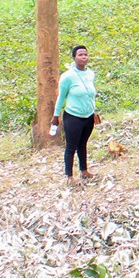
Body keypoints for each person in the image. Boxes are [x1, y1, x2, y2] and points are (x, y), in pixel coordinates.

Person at [52, 45, 98, 185]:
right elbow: (61, 97)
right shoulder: (68, 77)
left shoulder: (90, 74)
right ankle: (69, 176)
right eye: (80, 55)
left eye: (85, 54)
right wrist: (55, 116)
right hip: (73, 116)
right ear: (74, 58)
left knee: (83, 144)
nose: (84, 57)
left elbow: (91, 95)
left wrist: (94, 111)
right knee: (71, 146)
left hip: (88, 116)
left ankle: (84, 170)